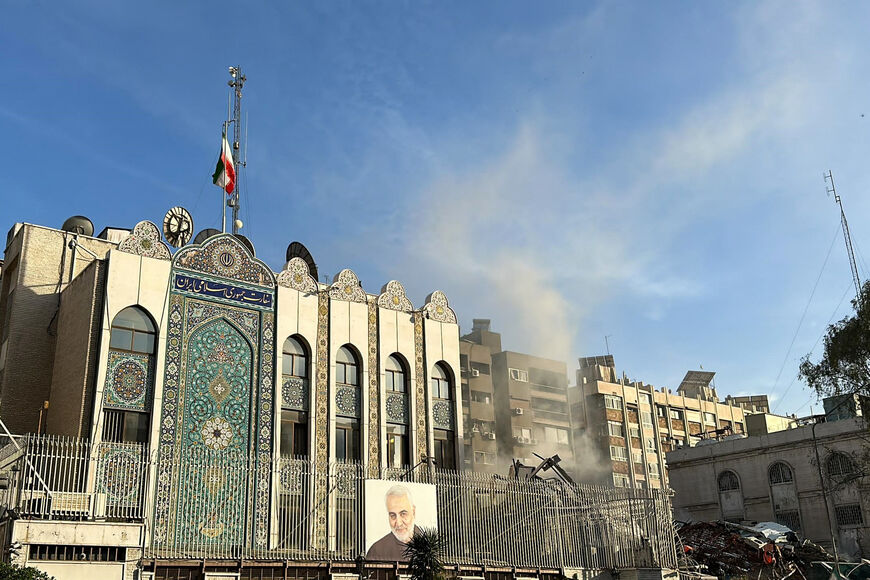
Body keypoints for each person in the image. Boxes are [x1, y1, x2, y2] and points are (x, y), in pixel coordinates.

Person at [366, 484, 419, 561]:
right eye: (393, 515)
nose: (398, 523)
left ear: (413, 512)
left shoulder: (429, 546)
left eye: (403, 514)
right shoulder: (377, 552)